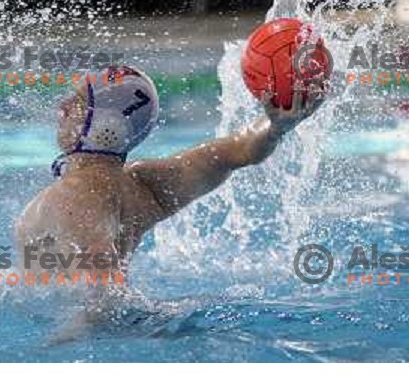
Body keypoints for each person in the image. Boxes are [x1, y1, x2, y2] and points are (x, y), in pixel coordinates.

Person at [16, 64, 324, 314]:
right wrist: (275, 128)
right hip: (132, 326)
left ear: (104, 125)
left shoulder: (77, 193)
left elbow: (103, 296)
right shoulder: (144, 185)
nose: (62, 107)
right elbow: (237, 152)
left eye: (77, 103)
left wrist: (57, 344)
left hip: (89, 335)